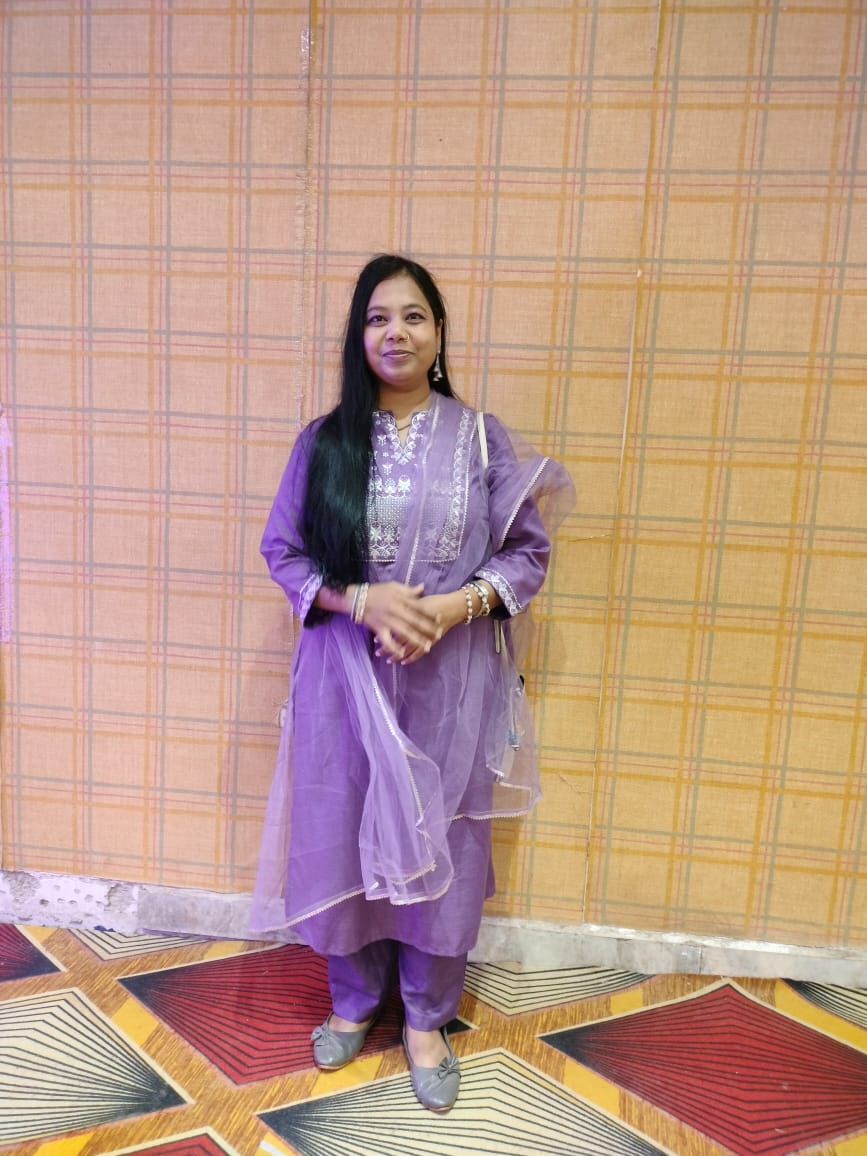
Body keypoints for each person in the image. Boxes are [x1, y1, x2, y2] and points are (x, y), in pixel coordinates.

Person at [251, 254, 574, 1112]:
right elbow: (284, 553)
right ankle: (354, 1002)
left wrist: (451, 608)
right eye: (376, 318)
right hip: (343, 681)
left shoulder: (480, 440)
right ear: (358, 337)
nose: (394, 332)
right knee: (341, 827)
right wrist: (362, 599)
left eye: (413, 316)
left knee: (446, 843)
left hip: (449, 687)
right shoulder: (324, 443)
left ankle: (427, 1018)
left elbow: (526, 556)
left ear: (438, 334)